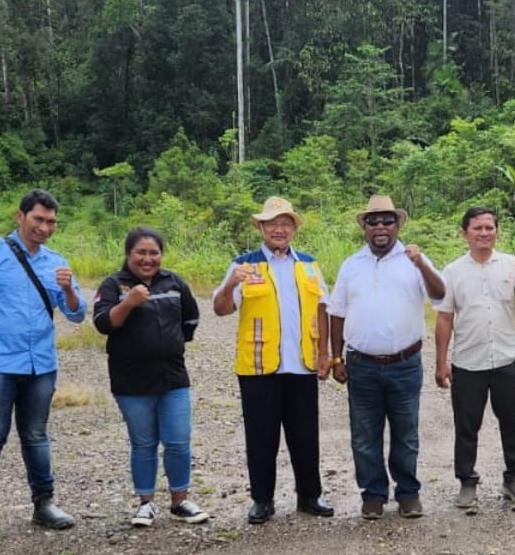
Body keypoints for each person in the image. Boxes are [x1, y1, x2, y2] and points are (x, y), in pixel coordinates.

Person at [0, 188, 85, 546]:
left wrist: (69, 290)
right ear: (20, 216)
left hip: (40, 364)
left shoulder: (55, 262)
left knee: (37, 436)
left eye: (51, 222)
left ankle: (44, 504)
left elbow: (76, 313)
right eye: (38, 219)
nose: (44, 227)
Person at [213, 197, 333, 525]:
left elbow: (323, 309)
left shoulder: (308, 265)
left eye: (286, 223)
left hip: (302, 365)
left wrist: (325, 353)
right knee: (261, 437)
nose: (279, 229)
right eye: (272, 223)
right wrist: (230, 284)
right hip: (258, 367)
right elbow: (221, 309)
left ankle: (310, 496)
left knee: (305, 436)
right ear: (262, 228)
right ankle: (262, 500)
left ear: (293, 228)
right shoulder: (244, 266)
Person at [328, 195, 446, 520]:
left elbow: (440, 294)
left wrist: (421, 264)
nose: (381, 227)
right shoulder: (351, 265)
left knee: (406, 434)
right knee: (364, 434)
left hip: (405, 364)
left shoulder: (415, 260)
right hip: (361, 364)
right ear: (364, 227)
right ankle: (373, 494)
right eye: (373, 221)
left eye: (387, 220)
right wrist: (336, 358)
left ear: (397, 225)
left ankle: (408, 493)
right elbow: (336, 312)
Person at [93, 227, 209, 528]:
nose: (147, 259)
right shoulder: (113, 285)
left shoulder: (174, 282)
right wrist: (129, 301)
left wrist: (172, 342)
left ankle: (180, 500)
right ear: (128, 254)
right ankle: (145, 503)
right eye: (140, 253)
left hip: (173, 377)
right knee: (143, 443)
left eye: (153, 253)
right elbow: (104, 323)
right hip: (131, 381)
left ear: (161, 255)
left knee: (178, 441)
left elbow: (191, 318)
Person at [434, 207, 515, 508]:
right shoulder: (452, 271)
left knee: (511, 421)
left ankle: (514, 479)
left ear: (497, 231)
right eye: (477, 228)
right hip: (467, 361)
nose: (484, 233)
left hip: (506, 357)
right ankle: (467, 481)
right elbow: (444, 318)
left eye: (489, 228)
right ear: (464, 233)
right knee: (467, 425)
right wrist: (441, 362)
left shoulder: (511, 265)